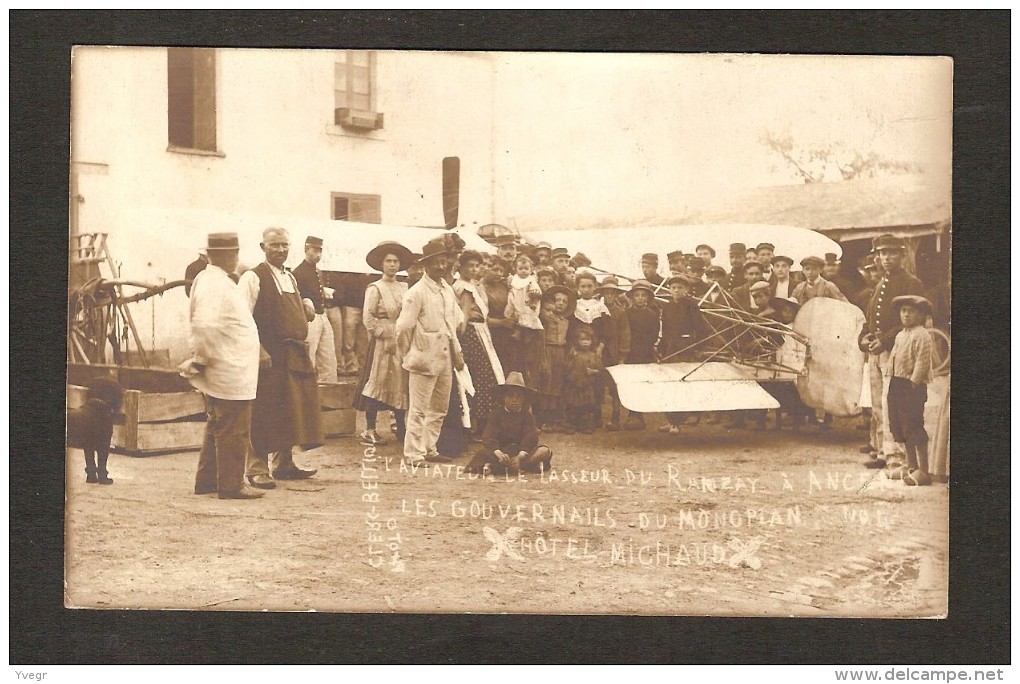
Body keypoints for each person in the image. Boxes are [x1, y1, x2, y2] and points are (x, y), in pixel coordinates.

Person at [183, 233, 265, 499]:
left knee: (218, 424)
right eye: (232, 253)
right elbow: (204, 325)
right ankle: (231, 485)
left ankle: (207, 481)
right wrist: (201, 359)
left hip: (229, 365)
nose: (237, 257)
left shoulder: (213, 280)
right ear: (217, 255)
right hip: (227, 367)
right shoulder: (214, 283)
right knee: (233, 426)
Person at [239, 227, 321, 487]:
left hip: (293, 353)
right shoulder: (253, 277)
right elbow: (242, 319)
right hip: (268, 354)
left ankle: (284, 463)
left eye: (285, 245)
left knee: (290, 408)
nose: (281, 250)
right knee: (264, 409)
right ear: (263, 247)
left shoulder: (290, 278)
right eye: (275, 245)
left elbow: (294, 307)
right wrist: (259, 349)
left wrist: (305, 305)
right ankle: (256, 468)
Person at [859, 234, 927, 468]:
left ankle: (896, 457)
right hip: (876, 351)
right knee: (878, 404)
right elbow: (871, 319)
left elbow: (913, 321)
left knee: (892, 404)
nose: (886, 258)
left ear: (902, 255)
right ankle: (881, 451)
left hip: (897, 351)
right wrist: (864, 339)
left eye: (891, 253)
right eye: (882, 253)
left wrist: (885, 342)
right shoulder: (880, 284)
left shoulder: (911, 283)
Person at [395, 238, 463, 465]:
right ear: (425, 265)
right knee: (418, 408)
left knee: (439, 407)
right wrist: (409, 353)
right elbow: (403, 328)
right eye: (436, 263)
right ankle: (413, 454)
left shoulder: (447, 290)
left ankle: (429, 448)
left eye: (444, 262)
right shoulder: (417, 292)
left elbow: (453, 323)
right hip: (423, 357)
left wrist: (456, 350)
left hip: (444, 357)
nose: (441, 267)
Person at [354, 241, 413, 446]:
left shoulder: (404, 287)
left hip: (401, 339)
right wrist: (383, 334)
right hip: (382, 341)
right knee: (377, 381)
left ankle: (400, 426)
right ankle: (370, 429)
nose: (392, 265)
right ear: (381, 264)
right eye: (388, 261)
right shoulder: (375, 288)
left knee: (401, 381)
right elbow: (368, 317)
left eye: (396, 261)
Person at [453, 249, 505, 437]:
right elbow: (464, 315)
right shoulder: (463, 287)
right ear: (461, 267)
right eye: (470, 266)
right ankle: (477, 425)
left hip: (480, 331)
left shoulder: (473, 285)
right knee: (482, 376)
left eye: (477, 266)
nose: (474, 270)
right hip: (471, 334)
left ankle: (481, 424)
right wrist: (461, 334)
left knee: (484, 376)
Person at [884, 296, 934, 486]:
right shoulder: (900, 335)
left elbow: (922, 362)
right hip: (897, 383)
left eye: (910, 311)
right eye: (903, 310)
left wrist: (913, 383)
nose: (906, 314)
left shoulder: (922, 335)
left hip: (912, 387)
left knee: (913, 425)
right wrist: (891, 378)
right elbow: (894, 358)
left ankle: (924, 470)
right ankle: (910, 464)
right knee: (900, 425)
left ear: (920, 315)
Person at [464, 372, 553, 476]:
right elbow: (488, 436)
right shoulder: (496, 414)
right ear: (503, 397)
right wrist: (499, 453)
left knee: (545, 451)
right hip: (502, 452)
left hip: (521, 452)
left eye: (518, 396)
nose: (514, 400)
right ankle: (520, 467)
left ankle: (505, 467)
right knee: (482, 454)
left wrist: (520, 456)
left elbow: (531, 437)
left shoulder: (527, 416)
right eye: (510, 396)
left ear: (523, 399)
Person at [657, 274, 706, 433]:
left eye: (680, 288)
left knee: (682, 384)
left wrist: (697, 348)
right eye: (673, 288)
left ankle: (677, 422)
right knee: (670, 384)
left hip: (686, 349)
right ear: (669, 290)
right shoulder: (667, 307)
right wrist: (662, 349)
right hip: (671, 350)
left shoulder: (691, 306)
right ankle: (671, 421)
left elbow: (700, 329)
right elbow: (665, 331)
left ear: (686, 289)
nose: (677, 290)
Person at [292, 235, 338, 383]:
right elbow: (296, 297)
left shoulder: (318, 272)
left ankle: (329, 392)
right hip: (309, 319)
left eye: (320, 251)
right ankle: (307, 392)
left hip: (322, 315)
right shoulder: (298, 272)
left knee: (328, 355)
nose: (318, 255)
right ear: (306, 250)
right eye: (314, 250)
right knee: (309, 355)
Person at [622, 279, 660, 431]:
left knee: (642, 383)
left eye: (643, 295)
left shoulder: (652, 315)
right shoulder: (627, 314)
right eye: (637, 295)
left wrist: (649, 349)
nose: (640, 298)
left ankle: (640, 416)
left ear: (648, 298)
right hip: (630, 352)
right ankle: (633, 415)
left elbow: (654, 334)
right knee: (632, 383)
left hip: (645, 352)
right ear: (632, 297)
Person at [536, 285, 575, 431]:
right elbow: (542, 340)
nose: (560, 303)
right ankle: (544, 418)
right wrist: (544, 358)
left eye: (564, 301)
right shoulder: (546, 319)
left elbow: (569, 339)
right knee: (546, 382)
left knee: (558, 384)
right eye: (557, 300)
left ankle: (554, 418)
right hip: (548, 350)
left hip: (561, 352)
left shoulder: (566, 321)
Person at [505, 254, 545, 386]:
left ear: (531, 269)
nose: (523, 271)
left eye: (526, 269)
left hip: (527, 307)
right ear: (516, 269)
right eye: (520, 268)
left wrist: (534, 300)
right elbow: (512, 293)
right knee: (513, 312)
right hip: (516, 304)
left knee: (526, 326)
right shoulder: (514, 281)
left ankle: (524, 333)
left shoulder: (531, 281)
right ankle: (517, 331)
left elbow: (537, 295)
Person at [598, 275, 631, 431]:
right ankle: (596, 417)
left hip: (613, 353)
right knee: (596, 384)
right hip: (598, 352)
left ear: (617, 294)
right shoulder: (596, 309)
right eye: (606, 292)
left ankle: (615, 417)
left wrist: (622, 356)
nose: (609, 296)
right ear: (602, 294)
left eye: (612, 293)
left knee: (614, 387)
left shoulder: (620, 312)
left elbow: (625, 333)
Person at [563, 327, 603, 434]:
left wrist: (593, 371)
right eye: (582, 340)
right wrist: (572, 359)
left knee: (586, 407)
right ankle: (571, 424)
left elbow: (600, 369)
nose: (585, 342)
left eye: (588, 340)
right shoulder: (573, 354)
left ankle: (584, 425)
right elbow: (566, 368)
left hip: (587, 385)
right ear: (577, 341)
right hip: (574, 385)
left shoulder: (593, 355)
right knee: (573, 405)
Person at [482, 258, 517, 374]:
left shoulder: (504, 285)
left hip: (507, 334)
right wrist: (502, 322)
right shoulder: (480, 288)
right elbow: (481, 319)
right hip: (491, 334)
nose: (499, 273)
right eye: (495, 269)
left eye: (501, 271)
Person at [336, 271, 373, 376]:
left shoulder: (368, 276)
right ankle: (350, 366)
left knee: (363, 340)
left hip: (365, 308)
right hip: (351, 307)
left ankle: (363, 366)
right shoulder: (347, 277)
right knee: (349, 339)